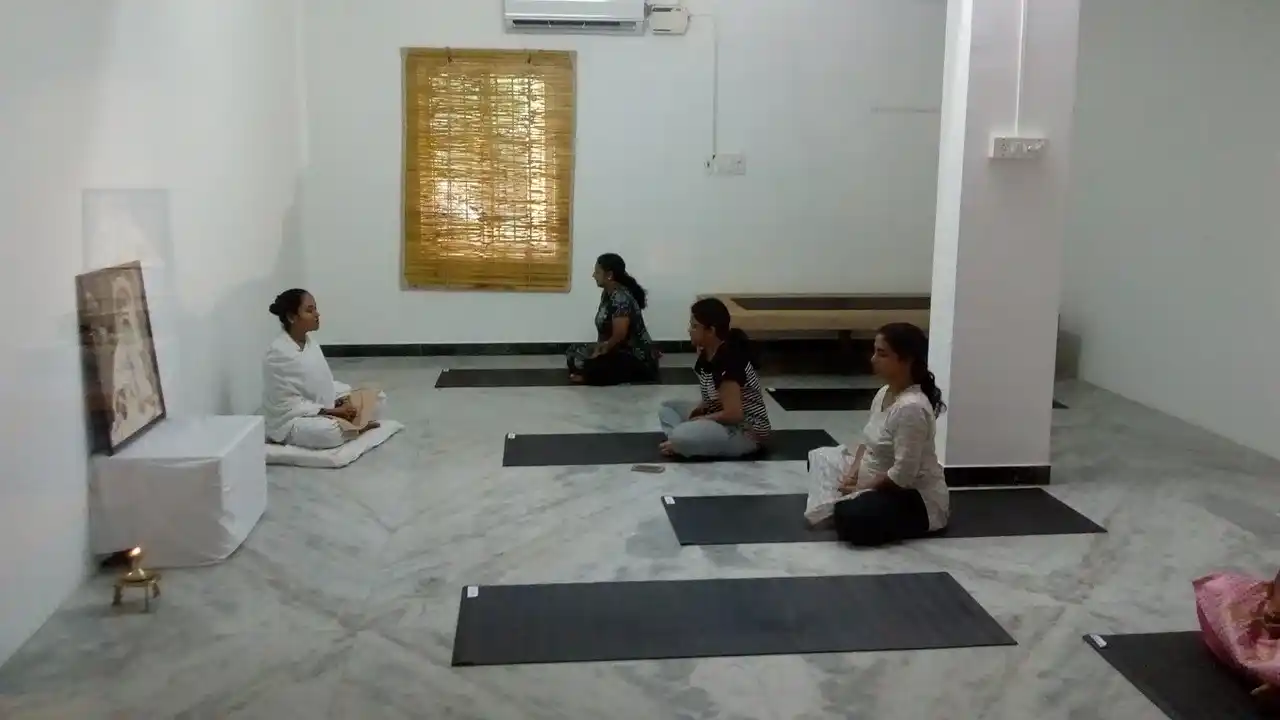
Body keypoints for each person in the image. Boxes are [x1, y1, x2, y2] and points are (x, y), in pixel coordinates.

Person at [806, 322, 949, 547]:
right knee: (820, 456)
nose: (873, 359)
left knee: (854, 517)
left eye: (882, 354)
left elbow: (902, 476)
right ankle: (840, 505)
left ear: (906, 360)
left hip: (911, 495)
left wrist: (862, 488)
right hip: (873, 473)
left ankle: (841, 506)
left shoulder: (911, 408)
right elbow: (867, 441)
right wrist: (852, 472)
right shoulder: (884, 392)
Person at [262, 289, 385, 450]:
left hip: (324, 407)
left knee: (379, 399)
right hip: (290, 420)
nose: (317, 314)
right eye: (310, 310)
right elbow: (288, 405)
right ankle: (355, 428)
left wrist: (342, 399)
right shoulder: (278, 353)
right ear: (292, 317)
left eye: (315, 309)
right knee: (329, 432)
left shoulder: (310, 342)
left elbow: (323, 383)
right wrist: (333, 411)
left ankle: (351, 427)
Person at [658, 297, 771, 458]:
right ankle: (681, 442)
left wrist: (702, 419)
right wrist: (698, 412)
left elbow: (734, 414)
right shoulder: (707, 354)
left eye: (694, 326)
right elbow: (711, 398)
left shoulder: (729, 359)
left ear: (710, 331)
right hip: (719, 420)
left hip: (744, 433)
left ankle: (681, 442)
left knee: (683, 434)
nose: (689, 330)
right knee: (668, 408)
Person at [566, 253, 659, 385]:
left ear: (609, 275)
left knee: (596, 365)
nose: (593, 275)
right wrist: (599, 348)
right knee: (574, 352)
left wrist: (602, 350)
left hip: (632, 356)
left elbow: (619, 335)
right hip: (614, 351)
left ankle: (591, 376)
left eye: (597, 272)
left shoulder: (620, 298)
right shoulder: (607, 294)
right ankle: (591, 372)